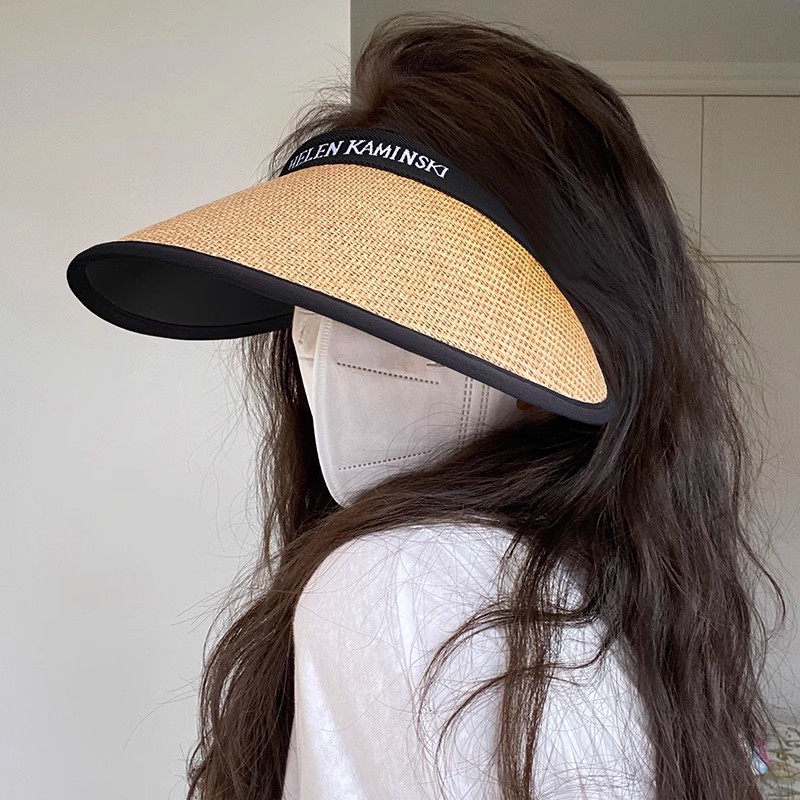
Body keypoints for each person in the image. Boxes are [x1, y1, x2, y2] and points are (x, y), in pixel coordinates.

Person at [64, 11, 785, 800]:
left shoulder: (411, 582)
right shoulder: (614, 595)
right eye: (320, 301)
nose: (331, 346)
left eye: (401, 305)